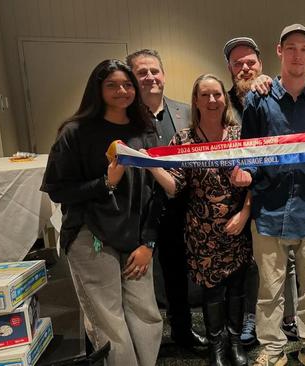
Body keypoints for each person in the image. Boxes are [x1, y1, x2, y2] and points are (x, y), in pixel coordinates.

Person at [233, 24, 305, 366]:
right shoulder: (259, 98)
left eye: (304, 49)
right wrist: (245, 173)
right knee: (269, 291)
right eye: (292, 48)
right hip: (269, 212)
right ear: (280, 51)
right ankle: (272, 347)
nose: (298, 54)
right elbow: (250, 151)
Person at [40, 59, 163, 365]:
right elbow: (59, 189)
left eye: (127, 84)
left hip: (135, 239)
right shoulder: (75, 132)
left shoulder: (144, 130)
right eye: (112, 85)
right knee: (110, 321)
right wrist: (106, 183)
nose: (122, 91)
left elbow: (156, 193)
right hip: (90, 236)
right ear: (97, 90)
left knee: (146, 315)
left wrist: (148, 242)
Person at [149, 74, 252, 366]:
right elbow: (175, 186)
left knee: (236, 289)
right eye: (204, 95)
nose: (211, 100)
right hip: (202, 231)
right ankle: (216, 345)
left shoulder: (239, 134)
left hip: (237, 226)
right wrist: (151, 165)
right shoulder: (183, 139)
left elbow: (256, 179)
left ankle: (234, 342)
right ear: (195, 100)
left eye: (217, 94)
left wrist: (245, 214)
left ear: (225, 98)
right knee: (213, 290)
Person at [125, 49, 207, 348]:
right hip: (138, 212)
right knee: (140, 278)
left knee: (176, 274)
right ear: (131, 78)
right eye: (141, 72)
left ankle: (183, 330)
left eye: (154, 71)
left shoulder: (186, 113)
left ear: (164, 75)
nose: (150, 78)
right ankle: (145, 338)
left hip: (178, 209)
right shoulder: (124, 118)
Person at [222, 37, 300, 346]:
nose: (244, 68)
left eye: (250, 62)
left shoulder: (271, 94)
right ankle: (251, 318)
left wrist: (248, 208)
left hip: (266, 197)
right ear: (229, 68)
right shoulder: (220, 100)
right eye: (237, 63)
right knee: (248, 266)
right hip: (228, 199)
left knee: (283, 261)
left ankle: (289, 317)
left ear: (261, 63)